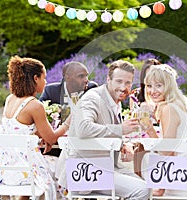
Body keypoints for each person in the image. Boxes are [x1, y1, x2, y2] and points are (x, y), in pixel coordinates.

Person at [55, 60, 150, 199]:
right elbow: (83, 128)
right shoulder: (93, 98)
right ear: (108, 80)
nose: (123, 87)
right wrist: (120, 129)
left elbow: (103, 132)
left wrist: (122, 144)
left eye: (128, 83)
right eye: (118, 81)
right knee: (142, 190)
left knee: (146, 185)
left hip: (106, 166)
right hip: (84, 171)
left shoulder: (114, 102)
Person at [0, 55, 71, 200]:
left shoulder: (10, 99)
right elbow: (51, 137)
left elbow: (18, 131)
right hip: (22, 168)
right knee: (60, 167)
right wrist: (68, 122)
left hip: (1, 167)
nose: (46, 82)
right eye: (44, 78)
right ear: (35, 79)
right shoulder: (34, 105)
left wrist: (37, 135)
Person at [140, 64, 187, 197]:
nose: (152, 91)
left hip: (183, 174)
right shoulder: (182, 103)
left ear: (168, 86)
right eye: (149, 86)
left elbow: (167, 151)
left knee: (145, 159)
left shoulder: (168, 109)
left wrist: (150, 130)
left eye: (158, 85)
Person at [39, 61, 98, 156]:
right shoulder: (51, 91)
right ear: (67, 77)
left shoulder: (91, 89)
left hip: (84, 147)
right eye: (81, 76)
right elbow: (39, 115)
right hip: (56, 148)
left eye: (86, 76)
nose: (86, 80)